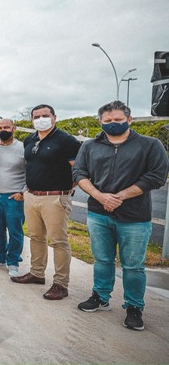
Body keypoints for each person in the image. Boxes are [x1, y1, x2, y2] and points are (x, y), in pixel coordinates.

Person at [74, 101, 168, 331]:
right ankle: (101, 296)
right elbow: (79, 172)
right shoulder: (90, 146)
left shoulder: (149, 145)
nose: (113, 124)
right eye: (107, 121)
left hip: (135, 217)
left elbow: (157, 176)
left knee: (133, 265)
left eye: (117, 119)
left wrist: (120, 196)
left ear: (130, 119)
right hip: (98, 213)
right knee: (102, 259)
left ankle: (134, 307)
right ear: (100, 122)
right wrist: (100, 196)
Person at [11, 104, 81, 300]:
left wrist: (68, 188)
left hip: (55, 197)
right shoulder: (30, 139)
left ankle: (60, 283)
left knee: (58, 241)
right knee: (35, 237)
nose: (40, 119)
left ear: (54, 117)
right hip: (32, 195)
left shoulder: (66, 140)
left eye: (45, 115)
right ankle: (37, 273)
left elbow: (79, 169)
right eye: (36, 116)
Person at [0, 118, 26, 278]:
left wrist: (23, 192)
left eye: (6, 127)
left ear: (13, 128)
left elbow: (31, 172)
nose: (3, 130)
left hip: (14, 197)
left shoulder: (22, 148)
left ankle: (13, 261)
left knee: (15, 231)